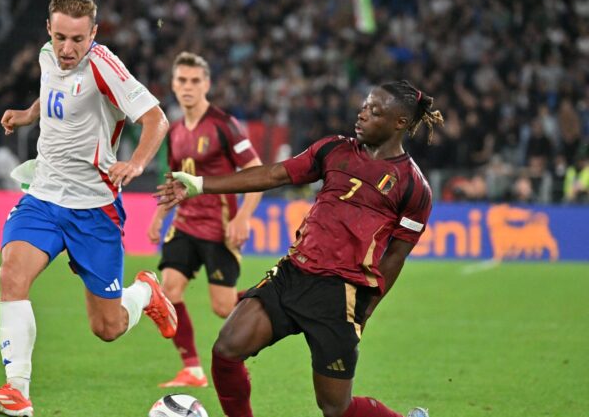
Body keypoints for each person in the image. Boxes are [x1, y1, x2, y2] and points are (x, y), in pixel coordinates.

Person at [157, 80, 444, 417]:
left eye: (374, 111)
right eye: (364, 106)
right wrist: (201, 186)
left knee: (336, 408)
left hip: (341, 295)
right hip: (293, 273)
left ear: (400, 123)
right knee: (227, 348)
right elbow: (274, 174)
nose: (362, 114)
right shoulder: (333, 150)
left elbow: (396, 256)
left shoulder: (414, 187)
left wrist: (366, 310)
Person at [0, 0, 176, 417]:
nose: (67, 49)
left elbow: (156, 118)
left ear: (94, 34)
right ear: (49, 29)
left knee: (108, 327)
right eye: (61, 37)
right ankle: (17, 392)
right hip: (43, 197)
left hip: (93, 209)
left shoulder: (104, 66)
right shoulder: (48, 54)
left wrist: (137, 164)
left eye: (78, 40)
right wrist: (29, 115)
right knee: (11, 274)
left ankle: (144, 292)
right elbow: (53, 91)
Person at [147, 52, 263, 388]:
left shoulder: (224, 125)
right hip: (185, 224)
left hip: (218, 228)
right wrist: (159, 216)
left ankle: (269, 304)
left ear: (207, 84)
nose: (187, 87)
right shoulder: (177, 130)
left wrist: (243, 216)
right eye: (182, 80)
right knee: (169, 290)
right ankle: (193, 369)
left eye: (195, 81)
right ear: (173, 84)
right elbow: (175, 180)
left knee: (223, 307)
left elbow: (257, 172)